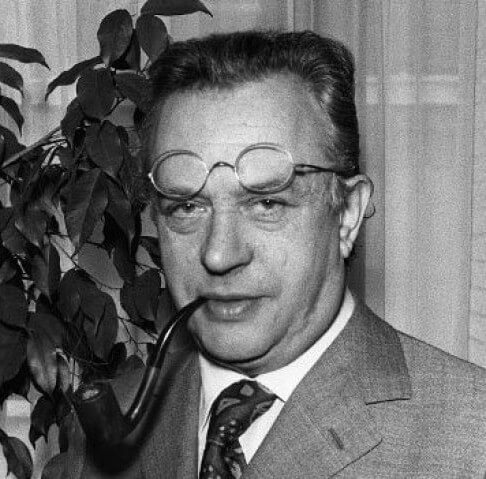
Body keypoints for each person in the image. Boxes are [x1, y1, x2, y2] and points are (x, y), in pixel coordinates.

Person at [77, 30, 486, 478]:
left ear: (347, 213)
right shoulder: (110, 421)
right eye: (187, 206)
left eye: (267, 203)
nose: (218, 255)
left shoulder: (471, 438)